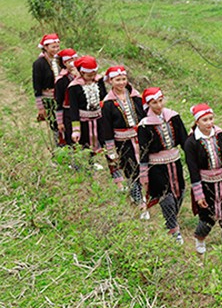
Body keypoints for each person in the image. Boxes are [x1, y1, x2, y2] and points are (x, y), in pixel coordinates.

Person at [183, 103, 222, 264]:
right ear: (197, 122)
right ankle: (200, 238)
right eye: (205, 120)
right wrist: (198, 194)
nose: (209, 123)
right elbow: (193, 169)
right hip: (205, 184)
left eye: (211, 119)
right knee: (207, 217)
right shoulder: (191, 143)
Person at [137, 87, 187, 243]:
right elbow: (144, 150)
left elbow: (184, 140)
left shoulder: (174, 117)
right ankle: (173, 229)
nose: (158, 105)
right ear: (148, 105)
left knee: (180, 193)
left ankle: (171, 220)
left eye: (160, 101)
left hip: (175, 160)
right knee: (165, 196)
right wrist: (144, 172)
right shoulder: (144, 125)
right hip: (156, 166)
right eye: (154, 103)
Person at [100, 65, 145, 211]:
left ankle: (141, 194)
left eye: (123, 79)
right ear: (110, 81)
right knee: (131, 169)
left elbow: (144, 117)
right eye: (117, 80)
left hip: (139, 138)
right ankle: (139, 202)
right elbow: (106, 128)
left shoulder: (136, 97)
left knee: (143, 167)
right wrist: (110, 149)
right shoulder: (107, 103)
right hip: (122, 141)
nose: (121, 83)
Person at [66, 56, 106, 155]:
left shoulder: (98, 81)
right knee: (85, 148)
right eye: (89, 75)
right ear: (81, 72)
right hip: (83, 123)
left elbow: (104, 98)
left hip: (99, 120)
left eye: (94, 74)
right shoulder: (74, 87)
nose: (92, 77)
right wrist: (76, 130)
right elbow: (73, 109)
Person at [32, 33, 62, 145]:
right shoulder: (39, 64)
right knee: (55, 124)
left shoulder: (59, 61)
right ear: (45, 47)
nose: (56, 49)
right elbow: (37, 86)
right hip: (48, 98)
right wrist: (40, 107)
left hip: (60, 97)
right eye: (53, 47)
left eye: (57, 47)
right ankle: (58, 148)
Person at [53, 48, 79, 146]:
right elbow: (58, 102)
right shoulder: (61, 80)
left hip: (82, 113)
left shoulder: (83, 76)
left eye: (74, 60)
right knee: (71, 139)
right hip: (68, 113)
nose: (72, 64)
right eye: (69, 61)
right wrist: (60, 122)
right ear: (64, 63)